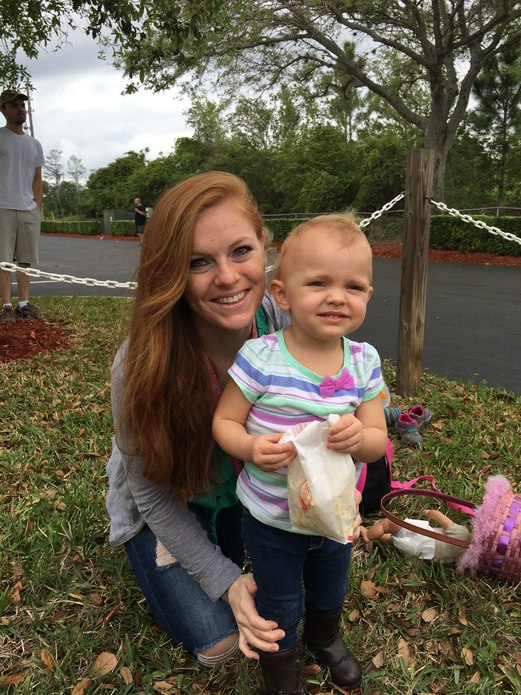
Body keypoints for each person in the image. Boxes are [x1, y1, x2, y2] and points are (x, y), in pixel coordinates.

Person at [106, 172, 363, 680]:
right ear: (169, 272)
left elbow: (336, 395)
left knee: (302, 587)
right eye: (198, 262)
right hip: (172, 498)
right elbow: (153, 492)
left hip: (253, 493)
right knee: (221, 641)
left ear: (265, 248)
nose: (227, 277)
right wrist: (226, 582)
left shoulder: (286, 318)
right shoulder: (139, 365)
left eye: (240, 251)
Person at [212, 214, 388, 694]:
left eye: (354, 286)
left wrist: (360, 438)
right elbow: (224, 421)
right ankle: (281, 673)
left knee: (331, 587)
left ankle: (325, 638)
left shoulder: (363, 362)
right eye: (318, 283)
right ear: (282, 294)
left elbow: (376, 438)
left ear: (368, 297)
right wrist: (248, 446)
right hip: (271, 517)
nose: (337, 297)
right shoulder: (261, 358)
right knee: (280, 597)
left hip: (334, 515)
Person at [0, 89, 45, 322]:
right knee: (4, 259)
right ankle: (7, 306)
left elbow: (37, 178)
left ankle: (24, 303)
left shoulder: (34, 144)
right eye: (15, 105)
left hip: (28, 209)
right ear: (3, 109)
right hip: (3, 207)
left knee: (25, 259)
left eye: (22, 105)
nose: (21, 109)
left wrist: (37, 207)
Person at [360, 509, 471, 563]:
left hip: (424, 535)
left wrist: (429, 513)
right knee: (392, 539)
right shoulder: (468, 558)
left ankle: (367, 535)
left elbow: (439, 517)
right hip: (423, 553)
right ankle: (377, 535)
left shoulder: (462, 532)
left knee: (388, 524)